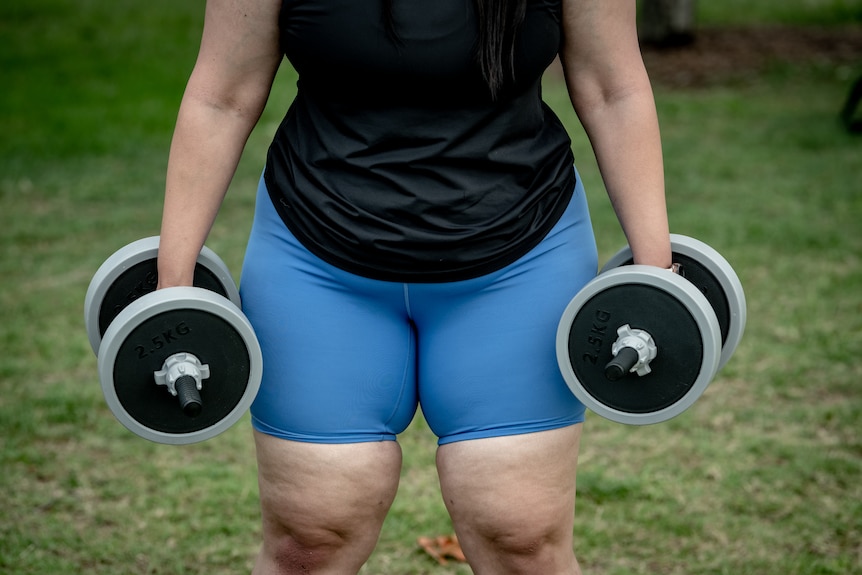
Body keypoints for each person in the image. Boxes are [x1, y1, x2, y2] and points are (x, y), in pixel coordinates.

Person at [156, 0, 672, 573]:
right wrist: (172, 287)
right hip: (318, 256)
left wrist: (654, 273)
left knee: (521, 536)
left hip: (519, 255)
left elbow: (613, 86)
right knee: (311, 536)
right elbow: (221, 96)